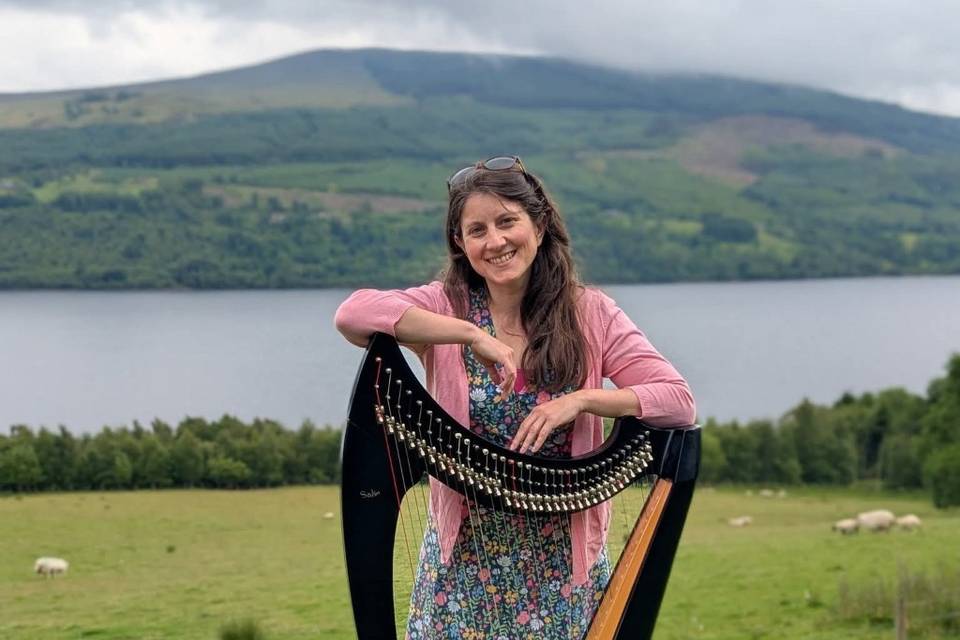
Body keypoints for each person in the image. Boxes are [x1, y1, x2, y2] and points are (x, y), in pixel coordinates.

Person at [335, 156, 696, 640]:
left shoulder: (590, 313)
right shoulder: (445, 309)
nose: (496, 241)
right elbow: (353, 314)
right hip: (462, 568)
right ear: (461, 244)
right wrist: (467, 334)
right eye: (477, 230)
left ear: (540, 225)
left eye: (508, 221)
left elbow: (676, 399)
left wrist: (583, 400)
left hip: (562, 572)